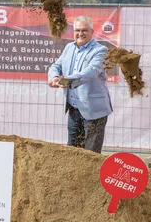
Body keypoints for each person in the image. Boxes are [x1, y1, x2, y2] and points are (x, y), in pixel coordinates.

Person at [48, 15, 113, 153]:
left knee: (91, 154)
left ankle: (92, 175)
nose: (80, 33)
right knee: (73, 152)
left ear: (92, 32)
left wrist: (66, 80)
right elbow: (56, 65)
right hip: (74, 109)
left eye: (84, 30)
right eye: (77, 30)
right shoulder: (68, 48)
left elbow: (91, 71)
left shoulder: (100, 50)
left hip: (94, 111)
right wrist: (53, 76)